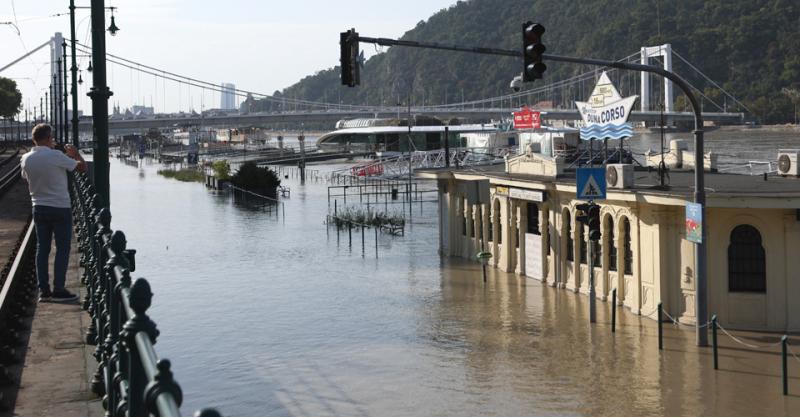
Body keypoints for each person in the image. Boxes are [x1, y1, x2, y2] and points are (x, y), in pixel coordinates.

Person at [20, 124, 86, 302]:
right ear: (48, 137)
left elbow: (25, 177)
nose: (54, 140)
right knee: (63, 249)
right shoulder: (56, 156)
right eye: (52, 137)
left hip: (38, 207)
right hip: (60, 207)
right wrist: (75, 154)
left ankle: (44, 291)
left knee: (43, 249)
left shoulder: (26, 158)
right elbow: (81, 167)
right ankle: (58, 289)